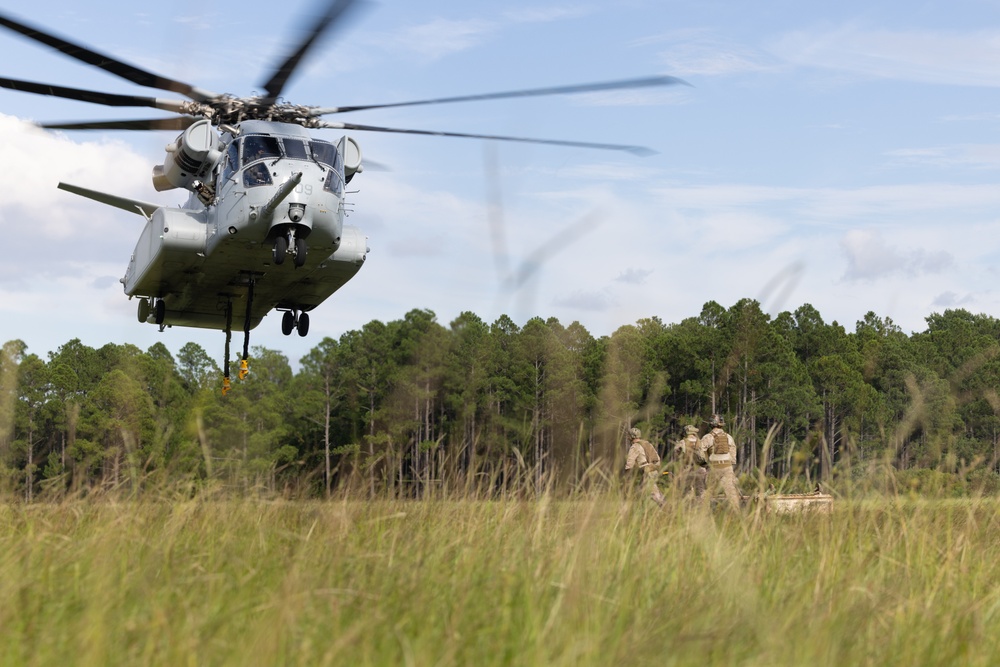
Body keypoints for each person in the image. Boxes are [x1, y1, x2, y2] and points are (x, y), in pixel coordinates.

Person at [698, 414, 741, 510]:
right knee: (731, 492)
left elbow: (699, 452)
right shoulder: (729, 437)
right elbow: (733, 454)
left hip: (714, 467)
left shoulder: (708, 437)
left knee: (707, 491)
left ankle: (703, 514)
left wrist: (703, 463)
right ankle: (737, 514)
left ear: (711, 424)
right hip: (727, 467)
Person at [625, 427, 665, 506]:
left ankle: (669, 510)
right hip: (653, 471)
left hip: (647, 473)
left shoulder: (634, 447)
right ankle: (639, 513)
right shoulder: (647, 444)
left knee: (654, 494)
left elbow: (629, 465)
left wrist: (626, 478)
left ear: (631, 437)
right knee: (640, 493)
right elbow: (657, 459)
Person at [673, 424, 707, 498]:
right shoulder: (700, 442)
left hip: (687, 469)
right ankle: (702, 508)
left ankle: (689, 508)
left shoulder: (682, 442)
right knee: (701, 492)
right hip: (700, 469)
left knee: (686, 493)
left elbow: (676, 456)